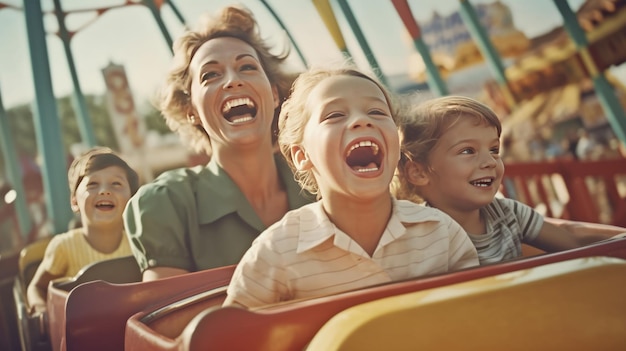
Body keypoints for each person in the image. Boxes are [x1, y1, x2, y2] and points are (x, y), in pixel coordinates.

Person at [223, 67, 479, 308]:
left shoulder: (440, 232)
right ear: (301, 155)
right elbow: (234, 336)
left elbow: (478, 319)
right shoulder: (275, 252)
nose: (361, 121)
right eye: (334, 115)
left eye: (377, 112)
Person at [123, 6, 313, 281]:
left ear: (274, 95)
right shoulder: (167, 204)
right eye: (210, 75)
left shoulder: (321, 180)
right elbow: (172, 319)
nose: (232, 81)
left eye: (246, 67)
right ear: (192, 110)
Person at [393, 95, 626, 265]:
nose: (490, 162)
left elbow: (572, 240)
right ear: (419, 173)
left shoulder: (506, 214)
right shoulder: (424, 236)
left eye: (494, 149)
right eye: (467, 151)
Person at [27, 147, 139, 313]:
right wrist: (41, 309)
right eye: (93, 184)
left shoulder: (139, 244)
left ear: (132, 198)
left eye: (116, 183)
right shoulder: (64, 247)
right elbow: (37, 287)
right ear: (74, 201)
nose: (104, 190)